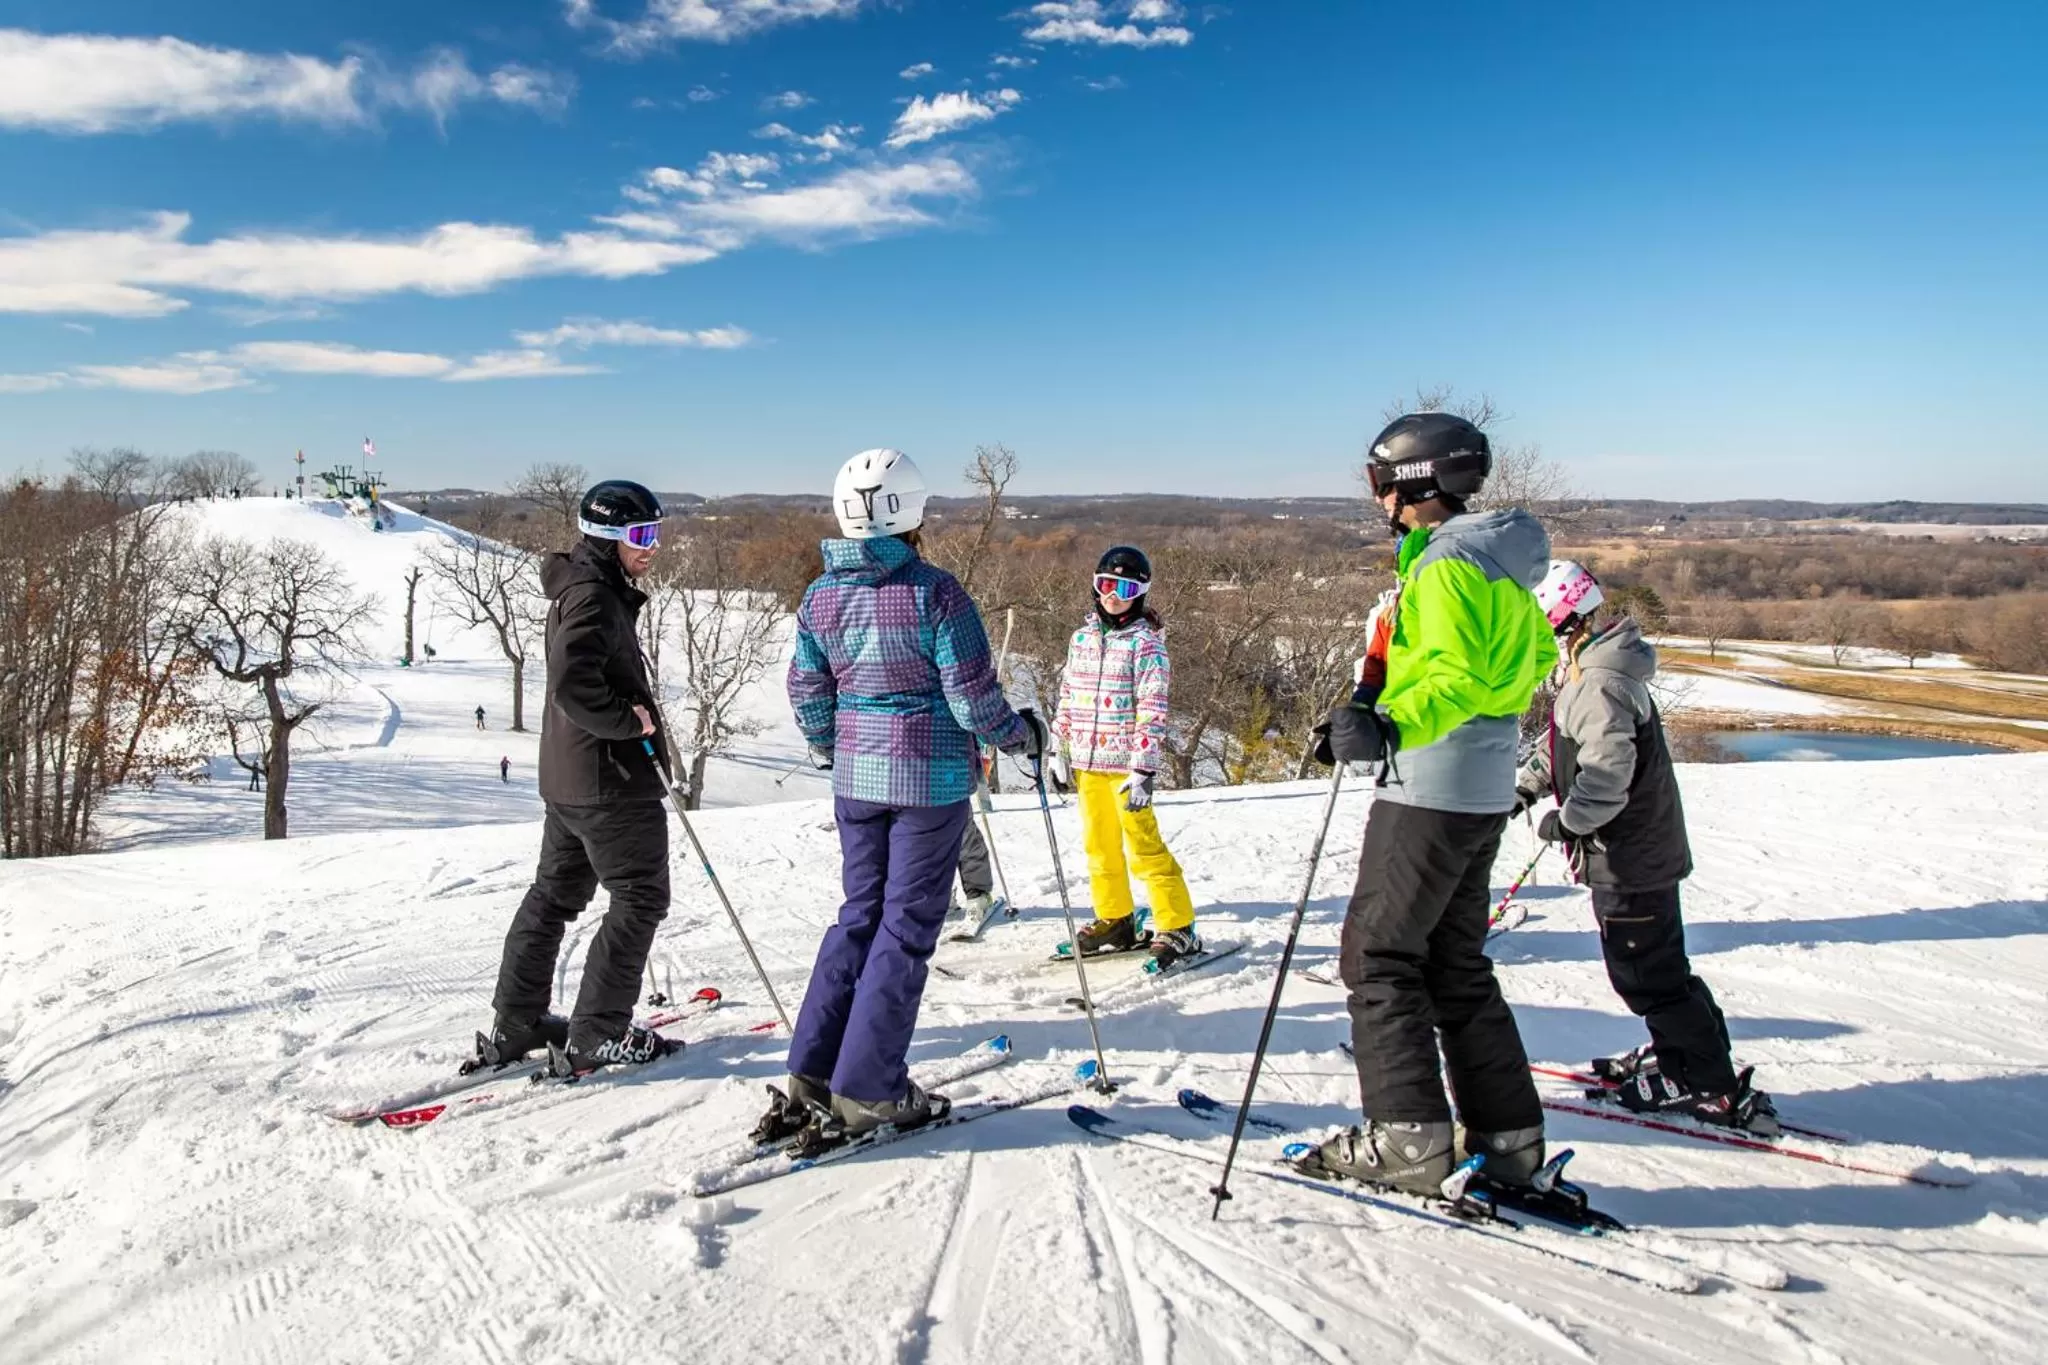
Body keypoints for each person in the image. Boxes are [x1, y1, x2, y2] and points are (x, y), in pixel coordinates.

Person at [1301, 412, 1559, 1197]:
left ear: (1412, 482)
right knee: (1455, 961)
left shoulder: (1446, 566)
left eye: (1379, 481)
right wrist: (1374, 711)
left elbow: (1451, 676)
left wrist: (1385, 726)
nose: (1376, 497)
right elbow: (1535, 658)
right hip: (1478, 785)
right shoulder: (1495, 563)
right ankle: (1509, 1139)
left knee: (1377, 956)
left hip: (1430, 785)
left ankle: (1407, 1138)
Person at [758, 448, 1046, 1148]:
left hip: (857, 780)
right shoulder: (935, 591)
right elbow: (971, 696)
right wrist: (1020, 736)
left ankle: (812, 1073)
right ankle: (868, 1087)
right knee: (905, 927)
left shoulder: (821, 594)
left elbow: (807, 689)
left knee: (859, 915)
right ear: (912, 510)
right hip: (929, 781)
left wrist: (835, 745)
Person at [1517, 560, 1777, 1132]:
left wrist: (1570, 822)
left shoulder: (1599, 682)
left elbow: (1606, 774)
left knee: (1646, 974)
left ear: (1558, 621)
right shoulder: (1595, 671)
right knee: (1660, 967)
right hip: (1639, 850)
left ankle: (1706, 1084)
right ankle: (1687, 1057)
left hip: (1629, 854)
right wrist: (1527, 784)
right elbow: (1563, 742)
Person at [478, 479, 682, 1076]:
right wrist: (629, 721)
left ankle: (518, 1021)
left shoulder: (582, 586)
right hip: (610, 782)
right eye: (642, 535)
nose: (652, 547)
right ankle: (599, 1032)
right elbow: (572, 682)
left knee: (555, 895)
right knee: (641, 896)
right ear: (606, 535)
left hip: (571, 779)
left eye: (657, 533)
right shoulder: (594, 595)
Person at [1053, 546, 1200, 967]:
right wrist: (1058, 749)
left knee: (1143, 847)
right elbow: (1068, 697)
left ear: (1141, 594)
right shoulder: (1081, 639)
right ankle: (1115, 918)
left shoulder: (1147, 645)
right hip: (1086, 762)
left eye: (1125, 588)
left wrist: (1143, 768)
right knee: (1099, 847)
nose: (1113, 595)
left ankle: (1177, 923)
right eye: (1105, 585)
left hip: (1123, 767)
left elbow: (1153, 710)